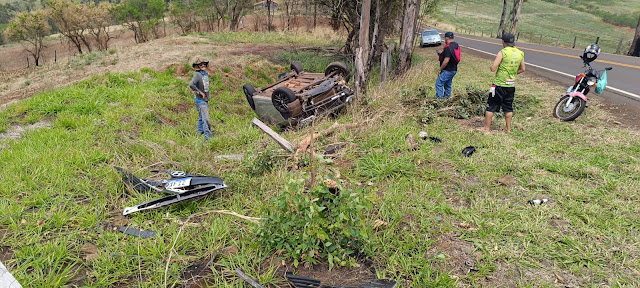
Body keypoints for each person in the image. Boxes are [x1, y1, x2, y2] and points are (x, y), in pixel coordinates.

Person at [482, 33, 525, 133]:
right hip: (511, 85)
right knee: (508, 108)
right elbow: (523, 69)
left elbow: (493, 68)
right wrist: (513, 73)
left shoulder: (502, 52)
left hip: (499, 84)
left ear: (503, 42)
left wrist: (492, 67)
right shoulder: (520, 53)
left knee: (491, 106)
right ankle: (508, 129)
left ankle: (487, 128)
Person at [189, 60, 213, 140]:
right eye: (201, 65)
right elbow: (191, 84)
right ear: (198, 66)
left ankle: (200, 133)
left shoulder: (205, 74)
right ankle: (208, 137)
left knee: (201, 117)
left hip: (205, 99)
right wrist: (199, 92)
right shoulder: (197, 74)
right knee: (206, 119)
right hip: (200, 100)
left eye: (204, 64)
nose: (203, 65)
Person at [435, 31, 461, 98]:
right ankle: (447, 98)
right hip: (454, 69)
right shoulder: (456, 45)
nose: (444, 40)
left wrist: (440, 69)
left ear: (447, 38)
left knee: (438, 83)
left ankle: (440, 100)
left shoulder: (447, 48)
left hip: (447, 70)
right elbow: (451, 54)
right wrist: (441, 53)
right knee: (447, 85)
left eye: (445, 38)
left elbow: (446, 60)